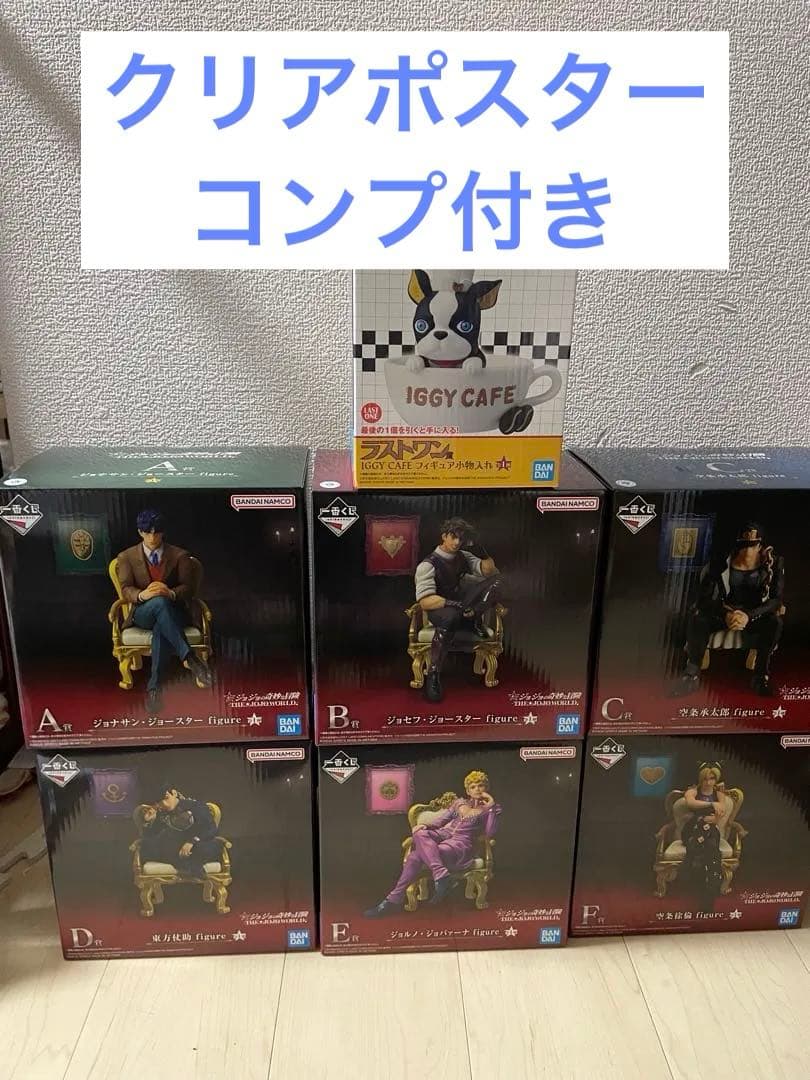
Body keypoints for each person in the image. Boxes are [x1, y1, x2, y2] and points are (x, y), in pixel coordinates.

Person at [364, 770, 501, 918]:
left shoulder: (489, 809)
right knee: (419, 833)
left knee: (414, 857)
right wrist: (425, 826)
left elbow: (490, 833)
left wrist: (491, 807)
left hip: (461, 844)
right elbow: (441, 821)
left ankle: (391, 900)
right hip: (443, 836)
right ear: (468, 790)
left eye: (481, 785)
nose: (477, 789)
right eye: (473, 787)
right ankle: (441, 874)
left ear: (486, 788)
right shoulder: (459, 803)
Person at [115, 509, 212, 713]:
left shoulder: (180, 555)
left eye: (156, 532)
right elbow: (125, 589)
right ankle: (189, 657)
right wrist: (143, 595)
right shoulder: (127, 556)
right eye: (147, 532)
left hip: (175, 611)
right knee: (158, 602)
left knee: (162, 623)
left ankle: (154, 689)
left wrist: (170, 592)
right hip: (143, 613)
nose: (152, 537)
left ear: (163, 532)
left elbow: (188, 588)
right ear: (140, 532)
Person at [672, 521, 784, 697]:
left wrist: (748, 615)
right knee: (697, 618)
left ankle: (760, 676)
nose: (746, 551)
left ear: (760, 546)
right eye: (743, 546)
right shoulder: (719, 563)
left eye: (752, 546)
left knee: (774, 622)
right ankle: (691, 675)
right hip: (722, 613)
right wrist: (725, 614)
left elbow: (776, 600)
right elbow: (703, 599)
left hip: (753, 616)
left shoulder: (773, 564)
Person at [415, 518, 503, 703]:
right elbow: (425, 602)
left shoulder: (463, 555)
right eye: (453, 537)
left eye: (461, 539)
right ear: (444, 536)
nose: (457, 542)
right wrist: (455, 605)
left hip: (464, 604)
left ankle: (474, 615)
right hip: (441, 608)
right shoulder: (428, 565)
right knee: (451, 617)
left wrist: (481, 550)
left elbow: (490, 572)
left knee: (497, 581)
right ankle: (433, 674)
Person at [139, 785, 222, 879]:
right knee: (151, 846)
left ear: (174, 793)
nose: (164, 804)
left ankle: (189, 867)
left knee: (206, 847)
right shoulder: (160, 814)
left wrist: (191, 841)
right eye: (159, 802)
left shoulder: (196, 806)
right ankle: (190, 867)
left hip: (198, 843)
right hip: (175, 848)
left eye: (166, 798)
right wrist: (149, 821)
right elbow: (150, 839)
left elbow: (211, 829)